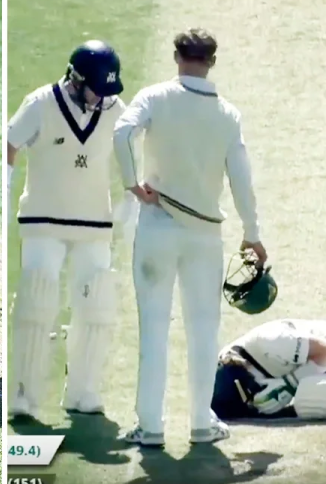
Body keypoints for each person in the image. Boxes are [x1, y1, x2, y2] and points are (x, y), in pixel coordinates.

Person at [112, 28, 266, 446]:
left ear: (177, 56)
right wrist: (252, 234)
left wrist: (132, 183)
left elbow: (123, 134)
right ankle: (201, 423)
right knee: (203, 330)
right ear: (211, 61)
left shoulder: (154, 97)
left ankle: (150, 427)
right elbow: (241, 179)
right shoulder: (227, 114)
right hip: (204, 236)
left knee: (154, 330)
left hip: (158, 225)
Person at [6, 41, 126, 419]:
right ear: (75, 79)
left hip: (94, 223)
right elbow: (11, 143)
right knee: (37, 302)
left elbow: (132, 159)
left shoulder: (116, 110)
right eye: (96, 89)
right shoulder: (41, 102)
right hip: (43, 220)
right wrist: (8, 191)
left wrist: (130, 209)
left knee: (97, 306)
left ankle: (83, 391)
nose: (102, 98)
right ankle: (24, 395)